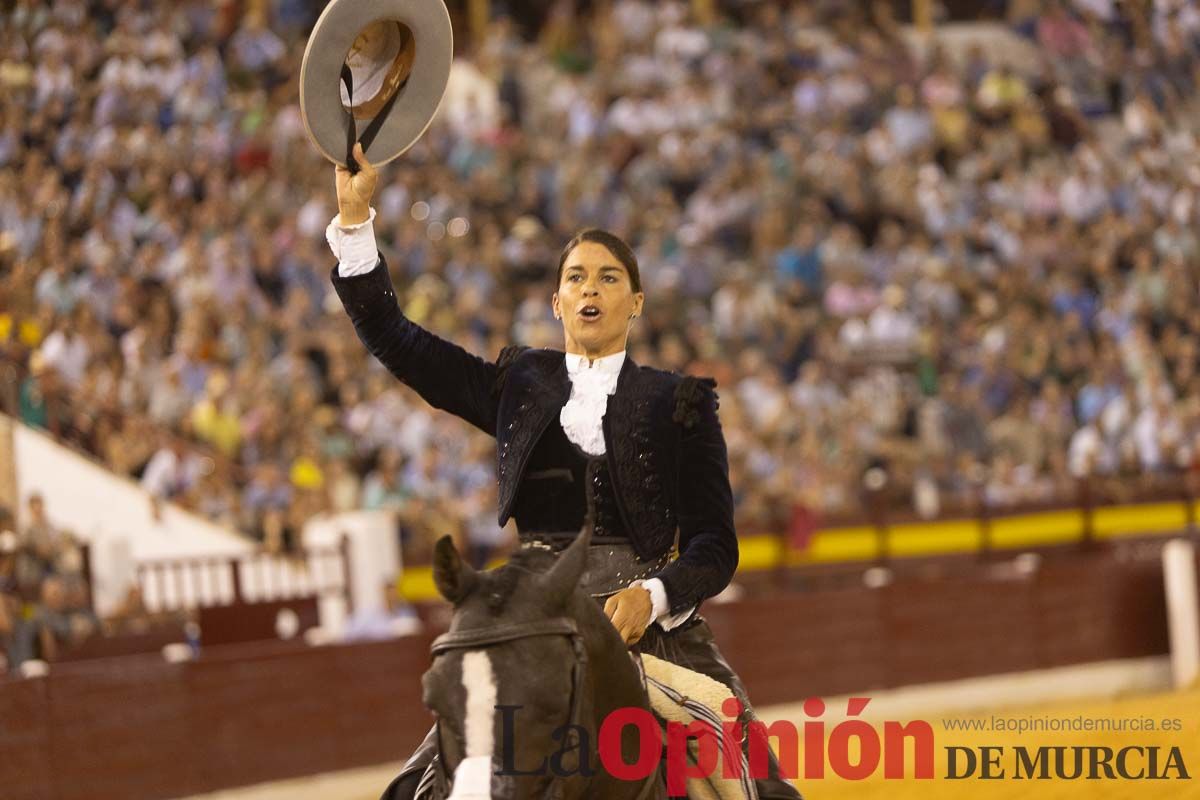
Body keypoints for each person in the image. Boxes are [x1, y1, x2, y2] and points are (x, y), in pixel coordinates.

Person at [328, 144, 801, 800]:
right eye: (577, 277)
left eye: (609, 277)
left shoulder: (678, 403)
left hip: (647, 629)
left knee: (752, 774)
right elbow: (397, 339)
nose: (591, 289)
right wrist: (356, 221)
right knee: (417, 786)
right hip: (535, 617)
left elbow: (715, 547)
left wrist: (653, 598)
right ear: (557, 302)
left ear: (635, 302)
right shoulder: (520, 385)